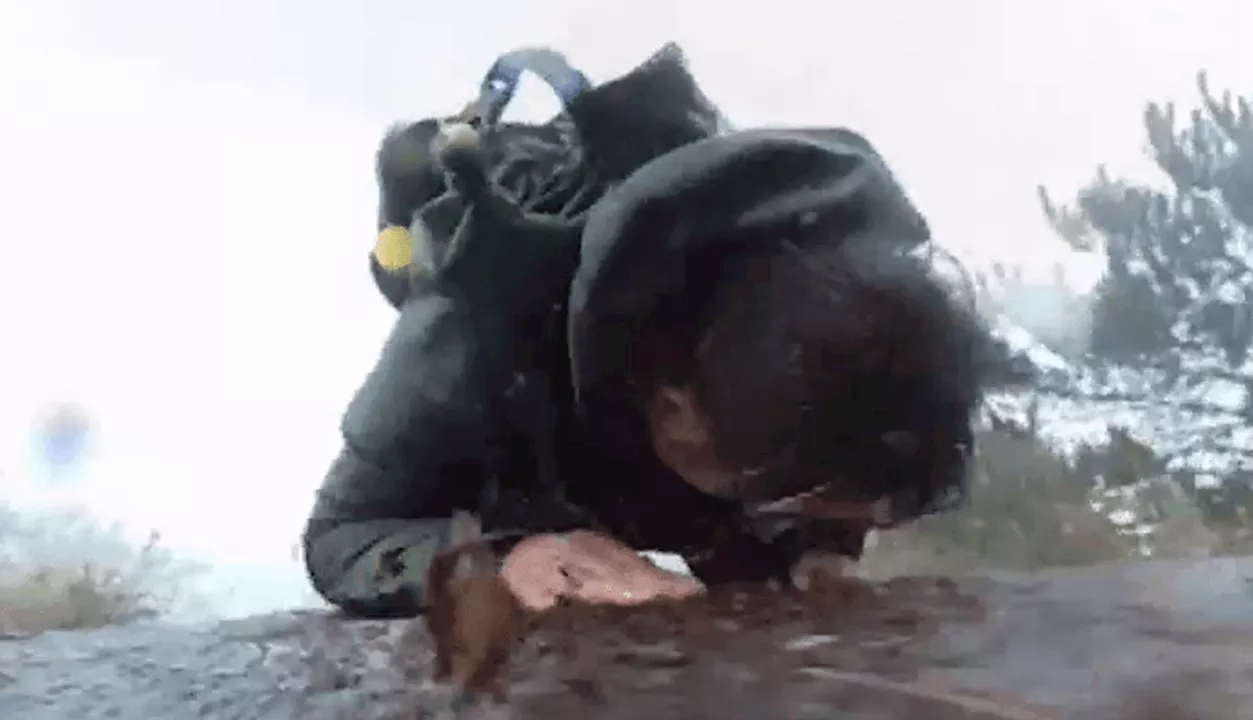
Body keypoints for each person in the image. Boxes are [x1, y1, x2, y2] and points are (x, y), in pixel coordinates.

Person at [303, 44, 998, 618]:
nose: (839, 532)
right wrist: (507, 557)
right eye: (796, 507)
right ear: (675, 410)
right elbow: (340, 538)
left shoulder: (855, 362)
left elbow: (798, 499)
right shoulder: (471, 336)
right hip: (530, 402)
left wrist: (813, 562)